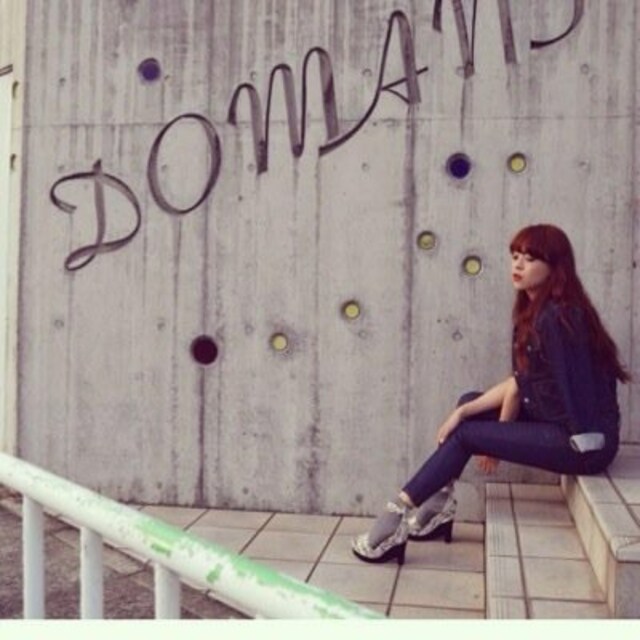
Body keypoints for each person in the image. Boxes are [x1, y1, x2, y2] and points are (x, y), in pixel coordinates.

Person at [352, 223, 631, 565]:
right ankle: (438, 508)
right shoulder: (537, 311)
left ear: (555, 267)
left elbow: (573, 397)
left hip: (584, 444)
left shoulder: (559, 319)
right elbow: (519, 382)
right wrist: (472, 417)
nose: (518, 265)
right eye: (515, 256)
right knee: (468, 403)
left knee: (466, 434)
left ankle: (397, 513)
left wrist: (497, 435)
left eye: (530, 258)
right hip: (556, 421)